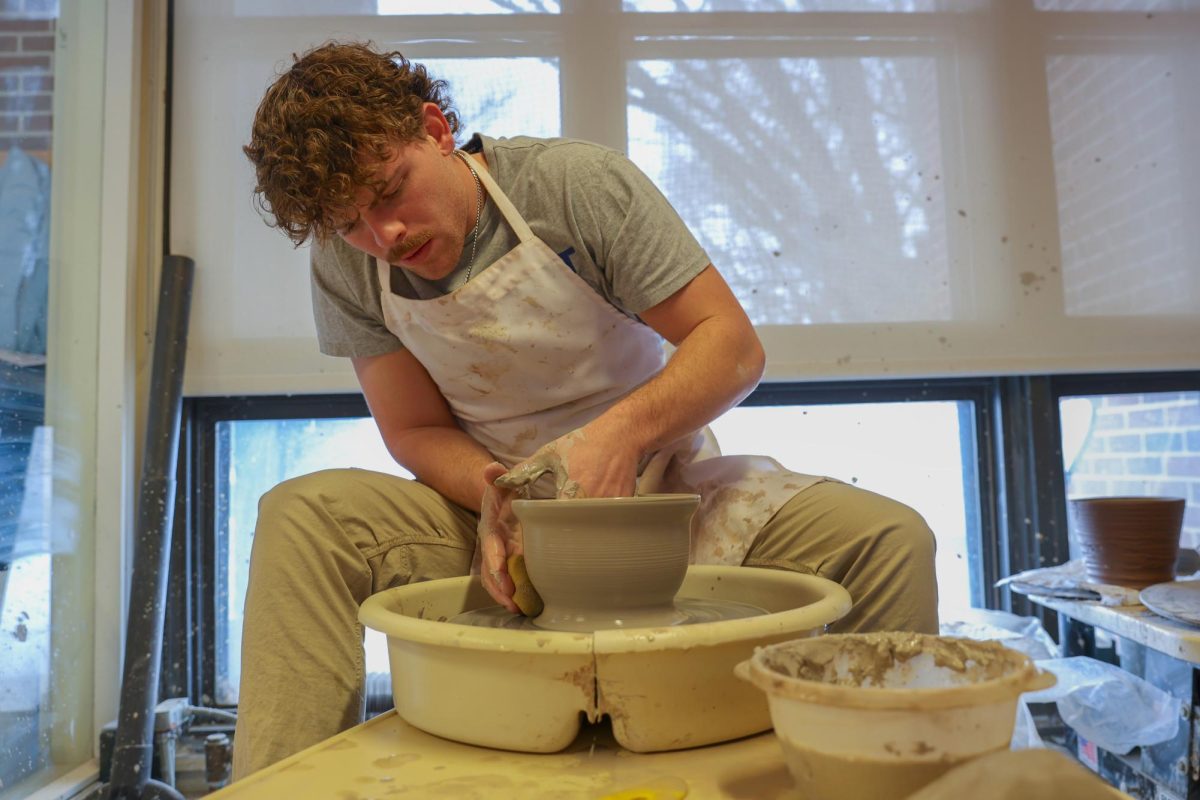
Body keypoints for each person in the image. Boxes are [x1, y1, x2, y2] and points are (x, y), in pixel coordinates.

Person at [233, 40, 938, 779]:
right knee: (303, 516)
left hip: (662, 489)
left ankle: (882, 784)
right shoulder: (348, 262)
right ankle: (277, 787)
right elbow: (412, 429)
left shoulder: (573, 187)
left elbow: (730, 346)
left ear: (435, 130)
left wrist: (620, 436)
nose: (385, 237)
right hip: (492, 515)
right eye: (351, 224)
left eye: (388, 192)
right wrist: (498, 495)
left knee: (888, 538)